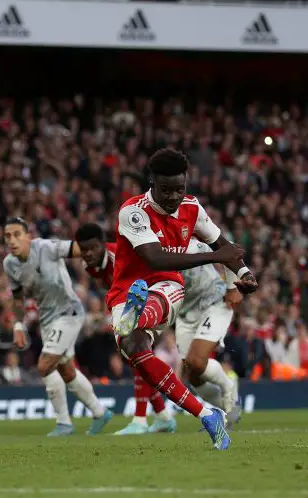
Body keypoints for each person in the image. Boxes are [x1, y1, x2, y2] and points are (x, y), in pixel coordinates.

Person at [107, 148, 258, 450]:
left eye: (180, 188)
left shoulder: (192, 208)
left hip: (169, 287)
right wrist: (216, 256)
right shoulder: (133, 211)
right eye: (167, 190)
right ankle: (207, 415)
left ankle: (135, 317)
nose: (175, 196)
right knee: (135, 350)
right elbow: (154, 257)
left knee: (152, 309)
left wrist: (243, 272)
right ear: (151, 183)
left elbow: (220, 242)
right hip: (129, 288)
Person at [3, 217, 113, 437]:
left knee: (45, 366)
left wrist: (107, 258)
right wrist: (17, 325)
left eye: (17, 234)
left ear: (28, 237)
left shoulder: (46, 247)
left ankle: (64, 422)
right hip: (47, 318)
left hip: (69, 312)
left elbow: (79, 248)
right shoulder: (10, 264)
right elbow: (17, 299)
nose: (12, 240)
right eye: (8, 236)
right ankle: (100, 413)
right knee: (66, 370)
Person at [75, 222, 177, 435]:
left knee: (139, 352)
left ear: (103, 244)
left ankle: (140, 420)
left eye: (93, 248)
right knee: (135, 358)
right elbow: (113, 290)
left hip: (154, 296)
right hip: (129, 304)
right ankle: (163, 416)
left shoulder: (116, 258)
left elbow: (138, 283)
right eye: (84, 250)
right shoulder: (91, 267)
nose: (88, 254)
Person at [175, 237, 242, 425]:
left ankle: (229, 388)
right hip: (185, 313)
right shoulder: (152, 254)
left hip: (214, 302)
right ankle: (226, 409)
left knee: (196, 360)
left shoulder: (192, 245)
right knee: (193, 374)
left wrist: (232, 286)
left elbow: (229, 250)